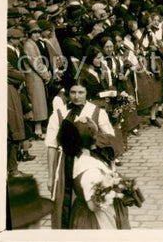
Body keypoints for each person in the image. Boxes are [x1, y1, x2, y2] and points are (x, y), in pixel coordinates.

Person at [45, 82, 116, 229]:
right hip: (65, 164)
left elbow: (110, 138)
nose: (76, 97)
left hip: (89, 161)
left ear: (87, 93)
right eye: (73, 92)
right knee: (64, 205)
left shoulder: (97, 112)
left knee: (92, 201)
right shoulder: (59, 113)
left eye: (80, 92)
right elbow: (51, 146)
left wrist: (94, 142)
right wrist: (51, 176)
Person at [59, 118, 130, 229]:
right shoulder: (90, 170)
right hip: (95, 220)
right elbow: (93, 206)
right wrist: (114, 193)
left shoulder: (77, 158)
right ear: (94, 139)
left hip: (81, 212)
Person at [7, 28, 34, 178]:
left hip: (14, 91)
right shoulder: (4, 52)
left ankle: (16, 163)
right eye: (17, 38)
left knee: (17, 129)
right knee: (13, 131)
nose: (20, 41)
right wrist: (20, 76)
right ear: (11, 39)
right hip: (9, 94)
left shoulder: (17, 50)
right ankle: (13, 169)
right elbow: (16, 74)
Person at [23, 20, 52, 140]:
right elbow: (35, 62)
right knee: (37, 102)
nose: (37, 35)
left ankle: (38, 129)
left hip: (36, 76)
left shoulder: (32, 43)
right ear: (29, 34)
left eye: (38, 32)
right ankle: (37, 130)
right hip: (34, 77)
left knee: (39, 102)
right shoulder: (29, 45)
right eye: (34, 33)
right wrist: (46, 74)